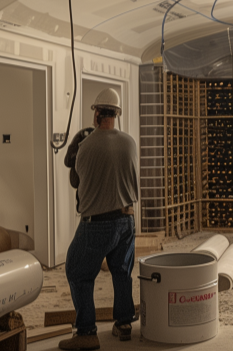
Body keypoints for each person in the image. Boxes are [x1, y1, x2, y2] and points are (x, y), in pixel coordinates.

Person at [59, 88, 139, 351]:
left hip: (97, 222)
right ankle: (124, 323)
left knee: (77, 271)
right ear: (116, 114)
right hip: (127, 220)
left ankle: (86, 332)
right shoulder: (129, 142)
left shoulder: (85, 146)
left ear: (96, 114)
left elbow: (77, 180)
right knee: (122, 271)